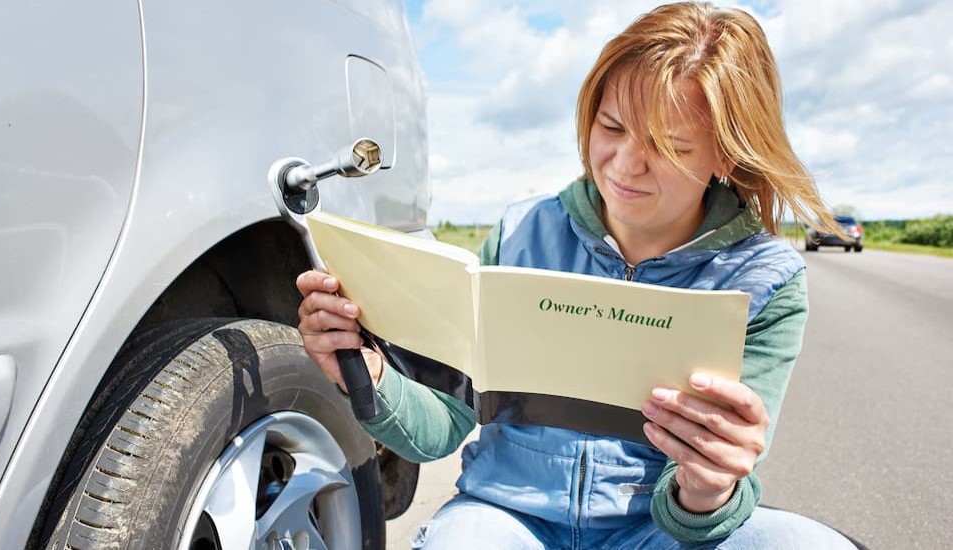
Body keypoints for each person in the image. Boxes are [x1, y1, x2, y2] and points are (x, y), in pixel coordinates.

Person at [296, 2, 857, 548]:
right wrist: (367, 371)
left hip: (659, 533)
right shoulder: (520, 233)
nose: (623, 164)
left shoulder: (765, 281)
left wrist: (708, 486)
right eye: (610, 127)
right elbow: (442, 425)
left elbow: (703, 513)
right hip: (509, 516)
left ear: (728, 156)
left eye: (669, 147)